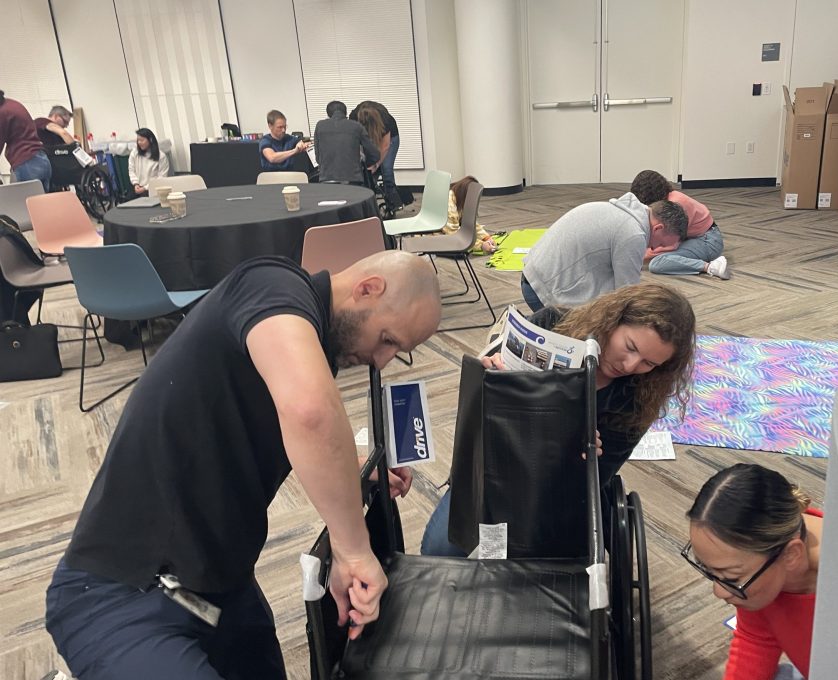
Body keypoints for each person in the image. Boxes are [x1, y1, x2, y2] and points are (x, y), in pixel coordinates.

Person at [45, 251, 442, 679]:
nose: (381, 360)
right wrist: (353, 551)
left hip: (221, 586)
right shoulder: (271, 285)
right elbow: (309, 412)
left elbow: (291, 431)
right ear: (367, 289)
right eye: (387, 340)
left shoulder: (305, 345)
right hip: (121, 588)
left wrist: (353, 469)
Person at [421, 281, 696, 556]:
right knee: (440, 552)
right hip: (494, 466)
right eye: (630, 347)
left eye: (649, 363)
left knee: (543, 569)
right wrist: (489, 376)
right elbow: (475, 409)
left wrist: (587, 456)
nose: (631, 366)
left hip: (557, 489)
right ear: (612, 321)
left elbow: (600, 475)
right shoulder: (553, 323)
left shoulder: (640, 396)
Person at [684, 463, 823, 680]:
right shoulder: (767, 558)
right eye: (707, 569)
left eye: (731, 578)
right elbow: (756, 639)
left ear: (791, 555)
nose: (718, 592)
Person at [520, 192, 688, 313]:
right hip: (543, 291)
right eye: (660, 244)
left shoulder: (621, 211)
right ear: (658, 228)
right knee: (593, 338)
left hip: (533, 274)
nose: (653, 248)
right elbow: (626, 295)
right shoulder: (633, 234)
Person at [631, 169, 731, 280]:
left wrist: (637, 257)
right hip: (695, 238)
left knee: (657, 263)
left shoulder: (675, 205)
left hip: (708, 241)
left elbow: (669, 244)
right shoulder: (668, 201)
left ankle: (711, 267)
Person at [350, 101, 400, 210]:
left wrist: (376, 164)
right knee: (367, 172)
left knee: (386, 169)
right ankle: (369, 204)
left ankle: (393, 202)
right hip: (369, 140)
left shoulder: (386, 121)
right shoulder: (353, 117)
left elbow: (385, 146)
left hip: (390, 140)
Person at [315, 101, 380, 184]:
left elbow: (318, 156)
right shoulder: (356, 126)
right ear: (345, 112)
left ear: (328, 114)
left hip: (327, 178)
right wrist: (364, 165)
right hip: (353, 178)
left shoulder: (320, 126)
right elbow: (374, 154)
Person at [0, 90, 52, 191]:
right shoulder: (12, 104)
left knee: (22, 204)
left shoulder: (2, 112)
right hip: (41, 159)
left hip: (26, 163)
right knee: (42, 204)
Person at [127, 128, 171, 196]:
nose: (139, 142)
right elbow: (131, 170)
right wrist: (136, 184)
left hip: (154, 190)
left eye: (142, 140)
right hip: (137, 188)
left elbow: (162, 177)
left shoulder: (161, 156)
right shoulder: (134, 153)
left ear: (150, 140)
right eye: (138, 140)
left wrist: (145, 188)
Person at [355, 106, 390, 174]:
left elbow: (385, 146)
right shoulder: (355, 123)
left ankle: (389, 183)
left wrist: (376, 165)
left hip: (387, 140)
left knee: (386, 167)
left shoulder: (386, 123)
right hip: (370, 146)